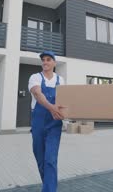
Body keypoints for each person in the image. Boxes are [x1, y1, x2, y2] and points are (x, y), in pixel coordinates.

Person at [28, 51, 66, 192]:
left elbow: (64, 101)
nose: (45, 62)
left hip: (54, 124)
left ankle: (49, 190)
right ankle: (48, 185)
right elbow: (37, 94)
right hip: (38, 122)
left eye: (48, 59)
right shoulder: (35, 77)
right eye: (43, 60)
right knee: (40, 159)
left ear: (54, 63)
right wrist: (51, 107)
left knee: (50, 159)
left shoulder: (60, 80)